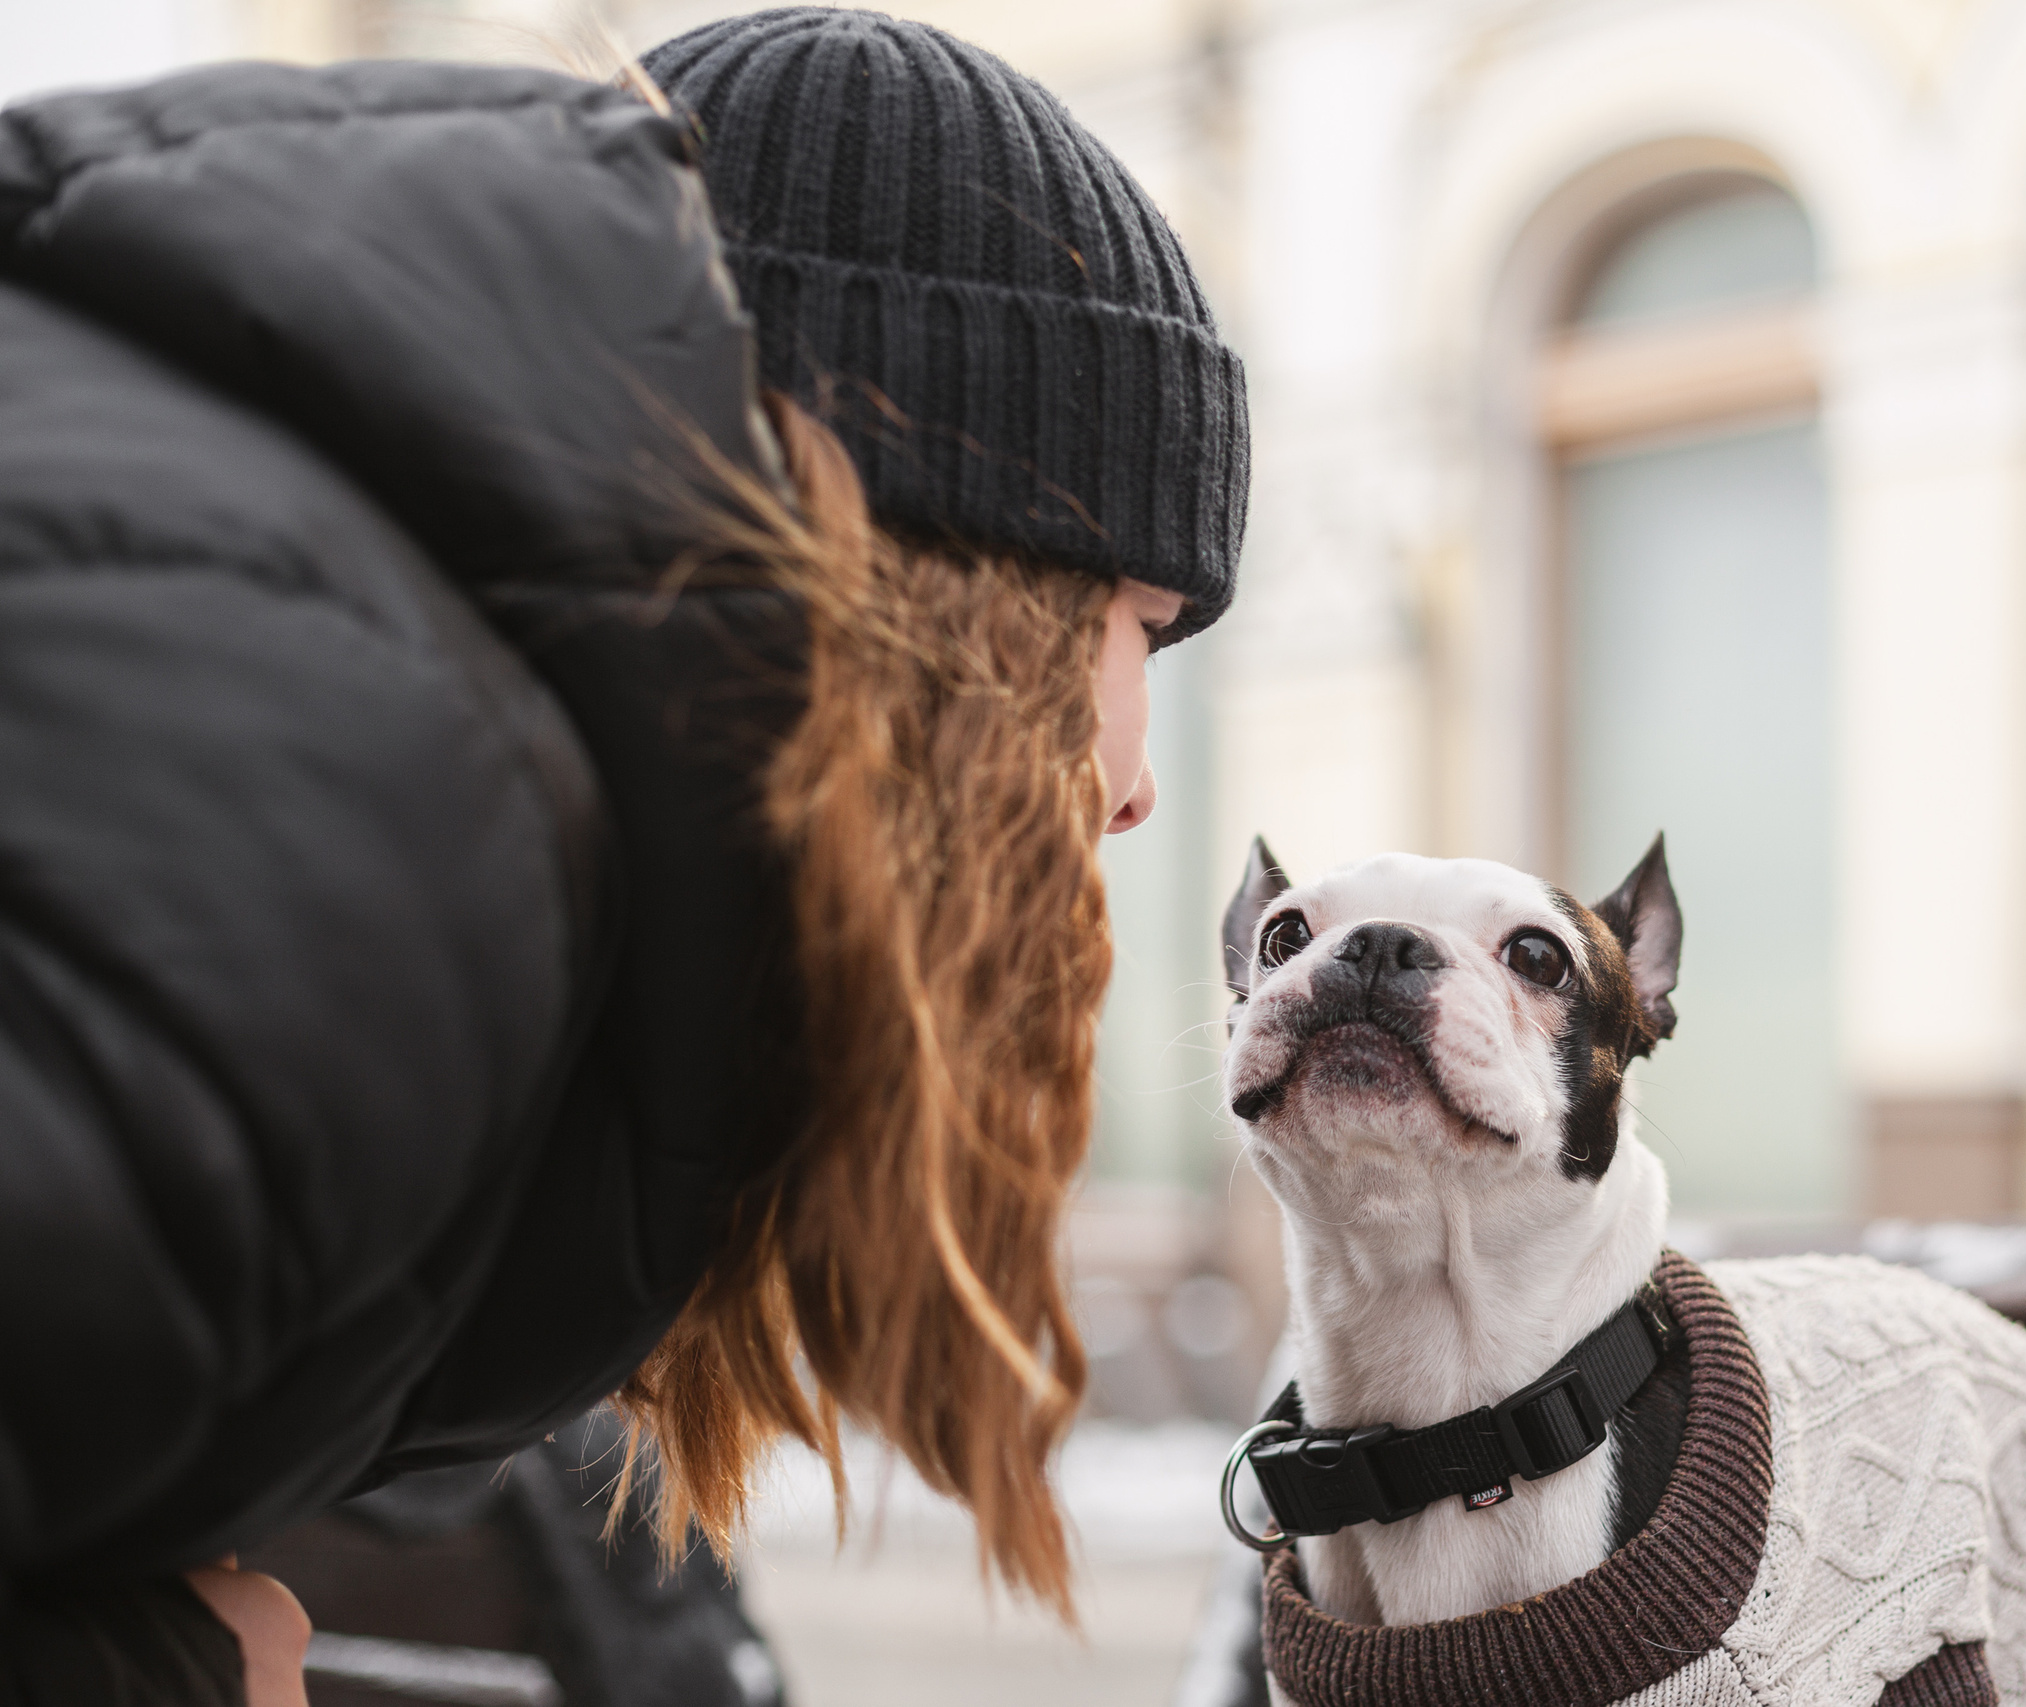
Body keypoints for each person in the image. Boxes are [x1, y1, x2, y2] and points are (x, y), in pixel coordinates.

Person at [0, 8, 1247, 1701]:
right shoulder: (387, 833)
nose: (1136, 786)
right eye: (1133, 627)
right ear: (959, 588)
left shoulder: (431, 761)